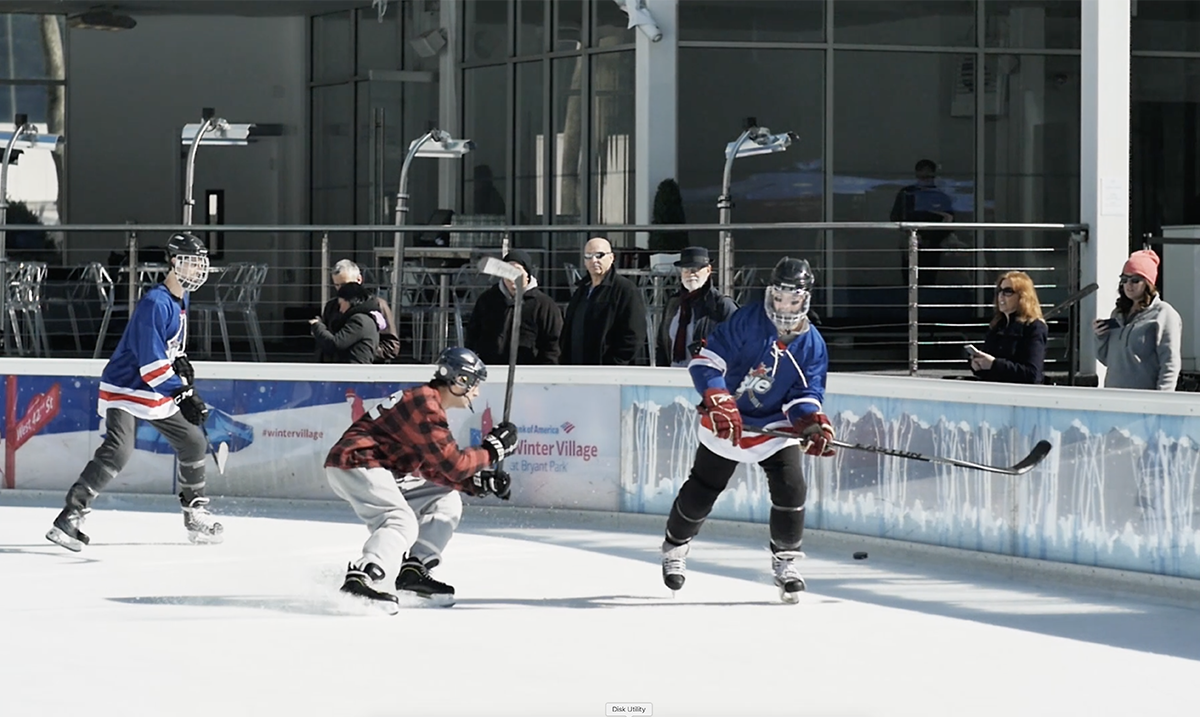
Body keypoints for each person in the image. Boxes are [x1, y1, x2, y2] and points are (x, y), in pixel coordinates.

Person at [660, 257, 835, 604]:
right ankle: (674, 548)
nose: (785, 306)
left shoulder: (813, 345)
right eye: (780, 297)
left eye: (793, 299)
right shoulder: (747, 321)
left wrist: (811, 423)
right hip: (729, 422)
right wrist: (719, 398)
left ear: (806, 299)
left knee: (791, 487)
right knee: (702, 490)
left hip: (772, 429)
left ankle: (786, 562)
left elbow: (805, 393)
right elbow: (708, 361)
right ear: (770, 293)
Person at [46, 233, 223, 551]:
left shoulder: (182, 298)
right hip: (126, 388)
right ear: (174, 262)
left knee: (193, 441)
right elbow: (150, 362)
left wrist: (181, 364)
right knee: (118, 450)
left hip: (153, 390)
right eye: (192, 263)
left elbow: (167, 349)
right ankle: (70, 517)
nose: (198, 270)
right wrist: (183, 395)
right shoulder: (155, 302)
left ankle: (195, 514)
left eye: (201, 264)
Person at [323, 347, 519, 609]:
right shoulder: (426, 405)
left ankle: (414, 571)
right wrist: (492, 451)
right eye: (474, 383)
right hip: (359, 462)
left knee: (445, 500)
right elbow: (455, 465)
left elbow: (434, 468)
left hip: (374, 466)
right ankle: (363, 577)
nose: (477, 392)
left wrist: (476, 483)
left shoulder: (426, 402)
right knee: (399, 520)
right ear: (459, 380)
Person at [1095, 249, 1182, 391]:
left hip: (1145, 399)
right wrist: (1101, 336)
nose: (1128, 285)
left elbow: (1170, 363)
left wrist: (1162, 400)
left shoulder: (1164, 314)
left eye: (1135, 280)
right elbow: (1105, 359)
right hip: (1113, 396)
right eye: (1124, 280)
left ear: (1148, 283)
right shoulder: (1118, 314)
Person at [465, 249, 563, 365]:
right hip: (491, 370)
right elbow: (472, 336)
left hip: (530, 374)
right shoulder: (487, 300)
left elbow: (553, 345)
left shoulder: (544, 305)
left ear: (527, 274)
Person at [560, 236, 647, 365]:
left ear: (611, 258)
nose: (593, 260)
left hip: (609, 373)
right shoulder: (581, 290)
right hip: (578, 370)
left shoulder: (625, 290)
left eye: (599, 255)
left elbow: (633, 335)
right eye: (588, 256)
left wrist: (614, 363)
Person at [656, 246, 738, 367]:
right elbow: (662, 345)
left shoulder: (721, 306)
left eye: (696, 269)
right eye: (686, 269)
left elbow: (740, 345)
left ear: (708, 270)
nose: (691, 274)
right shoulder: (673, 304)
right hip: (673, 378)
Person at [968, 271, 1048, 384]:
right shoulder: (997, 325)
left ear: (1022, 296)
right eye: (999, 291)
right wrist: (978, 365)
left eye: (1008, 291)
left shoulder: (1034, 327)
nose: (1001, 295)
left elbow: (1032, 374)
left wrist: (993, 364)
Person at [317, 259, 400, 363]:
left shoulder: (377, 305)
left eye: (345, 285)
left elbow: (391, 346)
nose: (340, 289)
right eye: (336, 285)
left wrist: (362, 350)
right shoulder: (332, 306)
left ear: (359, 280)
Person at [309, 283, 386, 364]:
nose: (340, 309)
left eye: (341, 304)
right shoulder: (366, 318)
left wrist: (317, 326)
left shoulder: (359, 320)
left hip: (353, 372)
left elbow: (335, 343)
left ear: (350, 301)